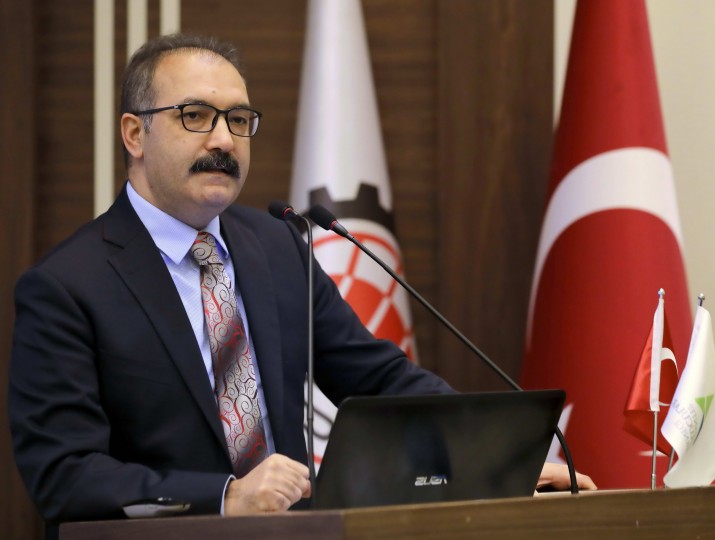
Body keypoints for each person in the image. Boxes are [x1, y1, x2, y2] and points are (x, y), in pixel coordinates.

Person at [8, 33, 593, 533]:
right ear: (135, 134)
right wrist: (226, 497)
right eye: (196, 116)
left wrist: (499, 462)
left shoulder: (277, 247)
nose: (223, 140)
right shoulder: (67, 287)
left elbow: (380, 381)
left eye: (239, 120)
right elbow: (64, 475)